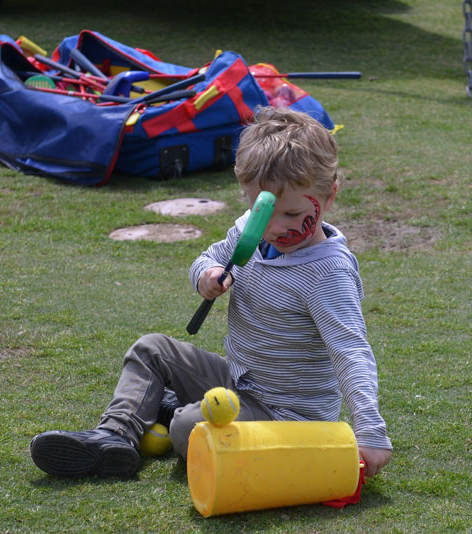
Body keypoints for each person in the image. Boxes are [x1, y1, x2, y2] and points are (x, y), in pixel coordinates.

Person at [30, 106, 393, 480]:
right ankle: (114, 437)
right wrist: (205, 275)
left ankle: (165, 409)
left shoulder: (328, 273)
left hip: (285, 415)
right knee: (151, 349)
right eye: (261, 210)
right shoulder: (249, 231)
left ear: (329, 196)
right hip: (238, 380)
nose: (273, 228)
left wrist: (369, 429)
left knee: (187, 428)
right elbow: (208, 258)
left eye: (290, 214)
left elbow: (350, 350)